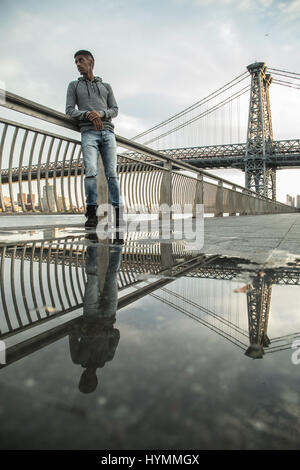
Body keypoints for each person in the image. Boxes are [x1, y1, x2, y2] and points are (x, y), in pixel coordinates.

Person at [66, 49, 123, 228]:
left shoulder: (106, 86)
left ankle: (118, 212)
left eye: (80, 60)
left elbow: (114, 109)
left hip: (108, 133)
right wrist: (87, 115)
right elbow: (69, 110)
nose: (77, 64)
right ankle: (91, 212)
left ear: (91, 62)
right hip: (88, 133)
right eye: (75, 62)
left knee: (112, 174)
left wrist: (100, 113)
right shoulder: (73, 86)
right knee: (90, 172)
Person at [69, 239, 122, 393]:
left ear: (82, 377)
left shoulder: (78, 359)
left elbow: (72, 335)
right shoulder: (107, 357)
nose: (87, 378)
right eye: (89, 381)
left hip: (90, 315)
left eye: (84, 380)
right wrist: (104, 332)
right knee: (112, 275)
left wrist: (87, 330)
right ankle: (117, 245)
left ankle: (92, 244)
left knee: (92, 276)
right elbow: (116, 335)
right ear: (95, 379)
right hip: (109, 315)